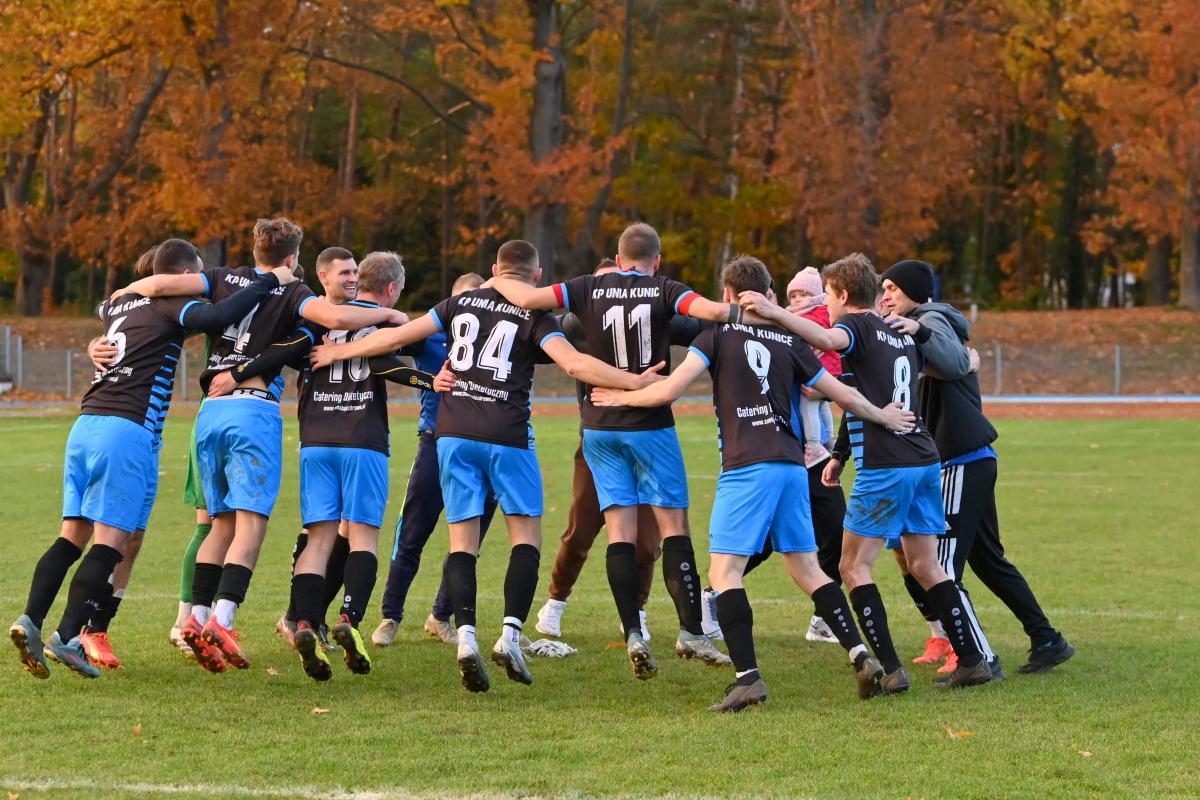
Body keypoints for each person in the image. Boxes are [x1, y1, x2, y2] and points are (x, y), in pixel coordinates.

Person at [310, 239, 664, 692]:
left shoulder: (458, 303)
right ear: (536, 277)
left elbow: (397, 336)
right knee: (526, 536)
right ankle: (510, 636)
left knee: (462, 542)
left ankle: (466, 640)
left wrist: (338, 352)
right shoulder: (535, 315)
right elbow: (575, 364)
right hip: (506, 434)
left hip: (452, 434)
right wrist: (634, 382)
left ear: (495, 270)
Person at [593, 255, 915, 711]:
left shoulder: (716, 334)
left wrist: (619, 397)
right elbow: (840, 392)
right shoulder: (789, 338)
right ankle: (860, 655)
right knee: (808, 570)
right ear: (768, 293)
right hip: (792, 466)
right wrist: (883, 415)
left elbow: (669, 390)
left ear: (727, 295)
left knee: (725, 573)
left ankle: (747, 679)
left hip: (747, 466)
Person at [116, 218, 406, 673]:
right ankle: (223, 621)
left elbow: (160, 282)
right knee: (251, 524)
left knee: (219, 524)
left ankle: (196, 617)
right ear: (293, 258)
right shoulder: (293, 291)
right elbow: (335, 318)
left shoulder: (220, 277)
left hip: (209, 412)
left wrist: (121, 297)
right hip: (252, 410)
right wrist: (388, 316)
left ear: (256, 251)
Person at [9, 239, 294, 679]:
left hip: (85, 424)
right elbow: (220, 316)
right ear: (184, 277)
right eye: (195, 277)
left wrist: (94, 343)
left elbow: (106, 313)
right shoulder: (169, 305)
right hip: (127, 429)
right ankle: (68, 637)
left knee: (72, 535)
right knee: (110, 542)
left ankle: (30, 619)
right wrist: (269, 280)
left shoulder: (117, 303)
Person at [486, 222, 739, 680]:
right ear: (656, 261)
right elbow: (711, 312)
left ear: (618, 260)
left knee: (620, 531)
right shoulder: (665, 288)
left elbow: (527, 298)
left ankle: (634, 634)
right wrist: (746, 307)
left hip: (598, 426)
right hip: (650, 424)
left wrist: (494, 280)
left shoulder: (585, 287)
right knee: (673, 527)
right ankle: (690, 630)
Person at [740, 252, 994, 691]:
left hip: (887, 464)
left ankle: (891, 670)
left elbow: (828, 339)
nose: (827, 306)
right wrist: (841, 452)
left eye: (828, 296)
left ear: (842, 294)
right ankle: (972, 659)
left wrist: (774, 312)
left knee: (853, 566)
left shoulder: (857, 325)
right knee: (925, 563)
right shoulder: (898, 330)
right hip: (923, 459)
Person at [209, 250, 417, 680]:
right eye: (346, 272)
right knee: (362, 537)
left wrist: (237, 372)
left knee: (318, 538)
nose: (352, 278)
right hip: (362, 439)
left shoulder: (308, 322)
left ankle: (304, 621)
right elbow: (390, 363)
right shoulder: (376, 321)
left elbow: (278, 349)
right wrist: (431, 379)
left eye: (355, 272)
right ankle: (348, 620)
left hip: (316, 440)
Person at [879, 259, 1074, 675]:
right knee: (989, 561)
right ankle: (1047, 639)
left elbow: (952, 362)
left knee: (941, 567)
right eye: (883, 288)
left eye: (894, 287)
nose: (887, 295)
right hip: (972, 458)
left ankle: (978, 657)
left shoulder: (929, 319)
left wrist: (922, 332)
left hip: (960, 460)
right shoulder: (911, 326)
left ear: (914, 291)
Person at [533, 258, 672, 643]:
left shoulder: (653, 315)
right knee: (580, 531)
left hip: (646, 442)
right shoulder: (576, 324)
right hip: (598, 443)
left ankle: (636, 611)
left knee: (646, 542)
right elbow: (538, 333)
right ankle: (555, 602)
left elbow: (701, 326)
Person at [372, 272, 500, 649]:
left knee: (468, 543)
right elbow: (381, 350)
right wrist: (423, 379)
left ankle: (440, 615)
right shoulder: (430, 333)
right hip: (435, 444)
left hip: (484, 449)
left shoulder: (498, 336)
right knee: (412, 533)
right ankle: (390, 616)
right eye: (465, 299)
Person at [786, 267, 841, 467]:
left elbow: (803, 335)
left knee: (807, 404)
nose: (797, 300)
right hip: (830, 367)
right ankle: (829, 438)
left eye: (803, 295)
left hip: (819, 368)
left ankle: (814, 445)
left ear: (816, 296)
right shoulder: (821, 311)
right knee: (821, 404)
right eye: (793, 296)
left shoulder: (810, 315)